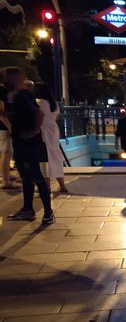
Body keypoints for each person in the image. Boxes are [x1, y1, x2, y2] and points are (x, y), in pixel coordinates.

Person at [4, 67, 53, 225]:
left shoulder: (24, 94)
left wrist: (34, 131)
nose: (5, 80)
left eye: (6, 77)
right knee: (26, 177)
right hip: (21, 140)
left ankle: (48, 212)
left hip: (28, 142)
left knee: (35, 175)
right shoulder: (16, 95)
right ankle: (27, 209)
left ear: (14, 78)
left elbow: (39, 113)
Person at [35, 84, 66, 193]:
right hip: (53, 130)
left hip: (42, 131)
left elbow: (38, 116)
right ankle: (62, 186)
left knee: (44, 159)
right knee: (56, 156)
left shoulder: (38, 102)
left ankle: (46, 186)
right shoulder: (54, 104)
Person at [0, 80, 14, 191]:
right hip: (3, 127)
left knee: (3, 153)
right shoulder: (2, 90)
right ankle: (6, 181)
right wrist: (11, 128)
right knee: (6, 153)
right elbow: (1, 112)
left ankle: (5, 176)